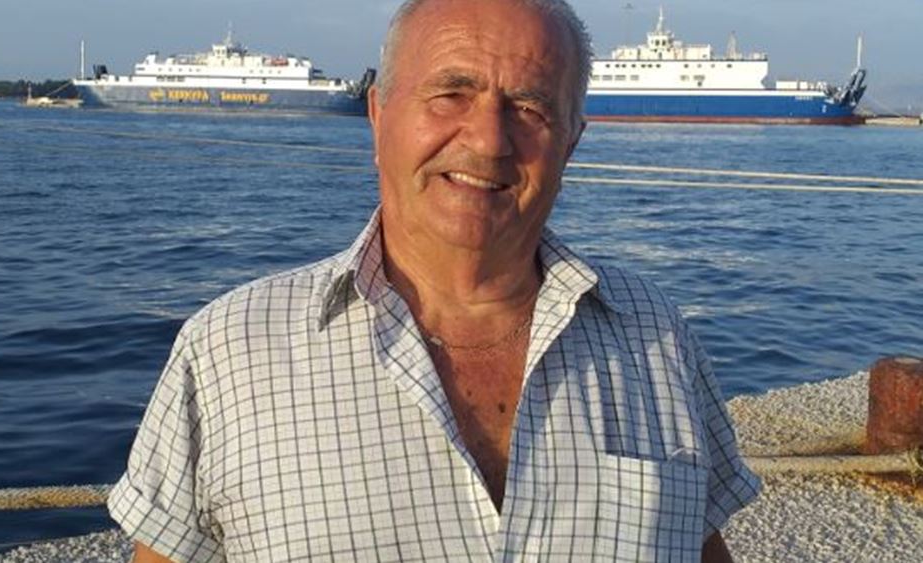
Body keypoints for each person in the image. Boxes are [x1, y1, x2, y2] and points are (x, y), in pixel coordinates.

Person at [112, 0, 761, 561]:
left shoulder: (656, 336)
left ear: (571, 142)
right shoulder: (226, 352)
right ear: (378, 115)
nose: (488, 141)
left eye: (530, 107)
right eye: (452, 93)